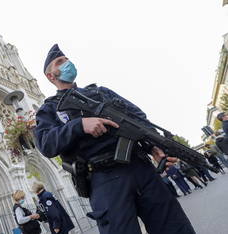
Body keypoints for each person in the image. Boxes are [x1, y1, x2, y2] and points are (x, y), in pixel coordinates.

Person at [33, 44, 195, 234]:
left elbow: (139, 118)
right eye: (60, 62)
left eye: (67, 59)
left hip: (141, 168)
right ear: (51, 76)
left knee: (175, 228)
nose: (67, 63)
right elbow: (45, 143)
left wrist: (154, 147)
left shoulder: (101, 92)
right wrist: (79, 125)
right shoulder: (50, 109)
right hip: (104, 179)